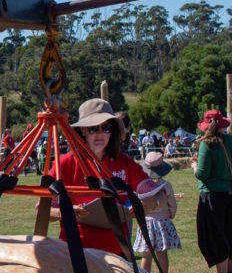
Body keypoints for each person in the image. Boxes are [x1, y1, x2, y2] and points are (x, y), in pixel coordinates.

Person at [54, 98, 164, 256]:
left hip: (118, 254)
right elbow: (44, 209)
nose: (100, 134)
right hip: (78, 254)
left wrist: (152, 202)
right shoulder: (65, 163)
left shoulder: (124, 162)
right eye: (93, 128)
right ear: (82, 130)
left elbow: (159, 193)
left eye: (105, 128)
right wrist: (66, 211)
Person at [194, 109, 232, 273]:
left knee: (214, 234)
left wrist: (194, 166)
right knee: (231, 231)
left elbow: (202, 173)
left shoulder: (207, 144)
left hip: (211, 194)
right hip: (231, 192)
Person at [132, 150, 181, 273]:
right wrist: (171, 214)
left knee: (146, 255)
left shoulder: (140, 187)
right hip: (162, 223)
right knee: (162, 254)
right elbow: (172, 204)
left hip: (146, 223)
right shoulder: (166, 185)